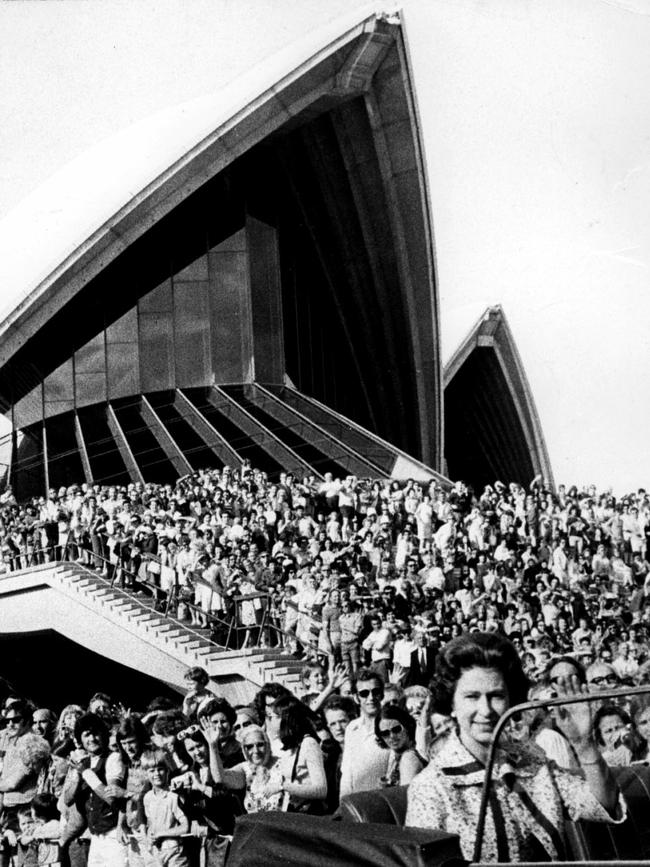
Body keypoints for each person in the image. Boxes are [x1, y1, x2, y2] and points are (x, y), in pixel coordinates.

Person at [405, 631, 625, 863]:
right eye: (472, 697)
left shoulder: (531, 759)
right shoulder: (431, 787)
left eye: (496, 696)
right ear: (452, 703)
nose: (486, 710)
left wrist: (584, 744)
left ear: (511, 699)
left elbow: (603, 803)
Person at [339, 669, 390, 797]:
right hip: (357, 805)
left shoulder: (392, 727)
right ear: (356, 698)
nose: (371, 698)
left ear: (382, 695)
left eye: (376, 692)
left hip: (383, 802)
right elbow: (347, 774)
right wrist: (344, 806)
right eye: (364, 693)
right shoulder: (352, 728)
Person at [141, 749, 190, 867]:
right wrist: (149, 838)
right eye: (152, 771)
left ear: (167, 770)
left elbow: (185, 827)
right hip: (156, 852)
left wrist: (161, 834)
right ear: (146, 774)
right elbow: (151, 823)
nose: (157, 774)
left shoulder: (173, 797)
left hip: (174, 851)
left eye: (160, 769)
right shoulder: (147, 797)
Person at [374, 704, 425, 787]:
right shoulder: (395, 757)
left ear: (407, 726)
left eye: (396, 729)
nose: (392, 736)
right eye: (385, 733)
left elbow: (404, 796)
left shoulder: (409, 757)